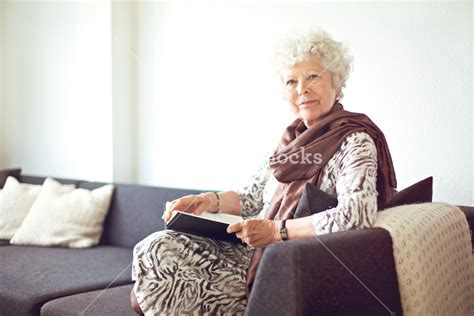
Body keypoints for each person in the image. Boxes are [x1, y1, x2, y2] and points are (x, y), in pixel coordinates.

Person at [130, 28, 397, 315]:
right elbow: (251, 198)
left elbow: (357, 215)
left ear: (337, 81)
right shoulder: (288, 142)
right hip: (251, 251)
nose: (301, 89)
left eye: (313, 76)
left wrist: (276, 231)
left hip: (291, 263)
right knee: (157, 247)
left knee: (146, 287)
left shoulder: (354, 141)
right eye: (291, 81)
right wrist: (207, 201)